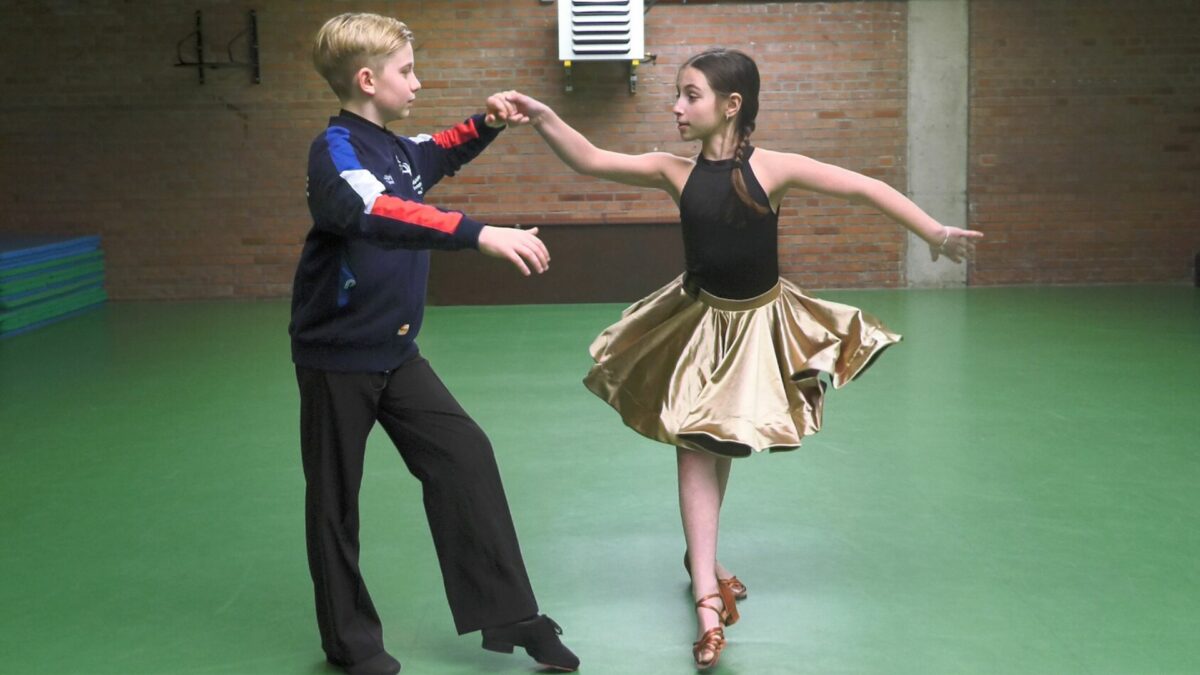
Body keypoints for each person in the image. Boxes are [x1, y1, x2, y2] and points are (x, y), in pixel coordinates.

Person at [504, 47, 982, 670]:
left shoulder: (774, 169)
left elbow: (864, 188)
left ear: (731, 106)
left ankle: (701, 563)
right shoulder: (672, 171)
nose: (676, 106)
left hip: (759, 325)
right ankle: (707, 596)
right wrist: (543, 116)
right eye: (677, 94)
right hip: (698, 325)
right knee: (695, 444)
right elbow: (592, 160)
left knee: (720, 444)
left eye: (691, 95)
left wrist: (934, 232)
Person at [289, 13, 578, 675]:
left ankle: (509, 613)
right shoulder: (336, 150)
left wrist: (488, 121)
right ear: (367, 79)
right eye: (406, 72)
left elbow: (437, 150)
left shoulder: (392, 148)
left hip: (396, 354)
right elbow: (374, 210)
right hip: (336, 356)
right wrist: (476, 231)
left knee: (465, 454)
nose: (417, 82)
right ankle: (351, 642)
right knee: (335, 497)